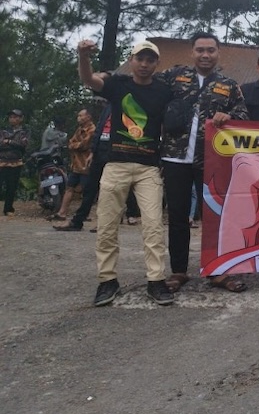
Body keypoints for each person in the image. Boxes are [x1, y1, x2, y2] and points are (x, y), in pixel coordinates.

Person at [78, 39, 173, 307]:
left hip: (148, 168)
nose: (144, 64)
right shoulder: (118, 85)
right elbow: (88, 79)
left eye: (150, 60)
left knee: (153, 225)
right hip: (116, 164)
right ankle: (107, 280)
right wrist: (83, 56)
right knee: (107, 226)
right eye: (139, 59)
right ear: (131, 60)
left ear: (156, 64)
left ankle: (156, 280)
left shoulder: (163, 90)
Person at [160, 32, 249, 294]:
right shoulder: (173, 77)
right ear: (192, 52)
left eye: (210, 50)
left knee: (214, 217)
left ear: (218, 53)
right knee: (177, 216)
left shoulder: (228, 85)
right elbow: (148, 91)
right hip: (175, 157)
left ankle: (217, 271)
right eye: (200, 50)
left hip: (210, 160)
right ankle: (179, 271)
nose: (205, 55)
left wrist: (229, 116)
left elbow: (244, 114)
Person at [53, 105, 141, 232]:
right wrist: (93, 152)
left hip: (116, 153)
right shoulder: (108, 107)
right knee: (90, 188)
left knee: (111, 189)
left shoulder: (129, 107)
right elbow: (99, 129)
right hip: (100, 153)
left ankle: (107, 222)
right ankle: (77, 221)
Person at [51, 109, 95, 222]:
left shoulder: (92, 130)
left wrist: (74, 145)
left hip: (86, 165)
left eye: (81, 115)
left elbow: (84, 145)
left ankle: (84, 214)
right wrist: (74, 145)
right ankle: (62, 212)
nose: (78, 118)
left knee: (86, 191)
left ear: (88, 117)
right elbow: (70, 142)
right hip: (75, 165)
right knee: (69, 188)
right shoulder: (79, 129)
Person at [0, 109, 28, 216]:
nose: (12, 119)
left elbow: (23, 145)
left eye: (15, 117)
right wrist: (13, 144)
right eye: (11, 117)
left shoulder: (24, 132)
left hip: (16, 162)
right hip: (2, 161)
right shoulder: (3, 131)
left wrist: (9, 141)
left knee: (11, 187)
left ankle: (8, 209)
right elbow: (1, 144)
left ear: (21, 119)